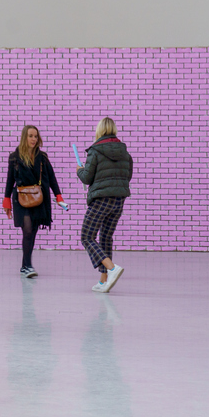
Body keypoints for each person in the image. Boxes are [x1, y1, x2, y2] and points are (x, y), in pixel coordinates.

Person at [76, 117, 133, 293]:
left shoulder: (95, 151)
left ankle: (111, 267)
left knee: (87, 236)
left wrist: (80, 170)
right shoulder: (125, 152)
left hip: (101, 199)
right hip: (119, 199)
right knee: (106, 237)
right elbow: (127, 176)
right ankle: (104, 281)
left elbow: (87, 178)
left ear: (99, 130)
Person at [3, 125, 64, 278]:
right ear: (25, 137)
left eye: (36, 136)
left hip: (39, 198)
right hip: (21, 199)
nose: (33, 139)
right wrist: (6, 200)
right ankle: (28, 265)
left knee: (33, 232)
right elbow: (10, 180)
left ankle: (25, 265)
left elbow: (51, 178)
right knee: (28, 230)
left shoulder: (42, 157)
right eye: (30, 136)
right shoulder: (14, 157)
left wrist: (58, 196)